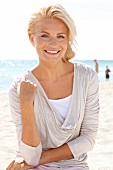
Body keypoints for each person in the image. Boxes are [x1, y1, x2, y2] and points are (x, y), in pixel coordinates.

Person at [6, 3, 99, 170]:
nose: (53, 43)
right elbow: (29, 155)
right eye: (45, 35)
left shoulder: (87, 77)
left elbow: (88, 139)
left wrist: (40, 159)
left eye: (61, 36)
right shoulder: (18, 88)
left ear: (68, 39)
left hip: (74, 164)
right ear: (31, 38)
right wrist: (26, 104)